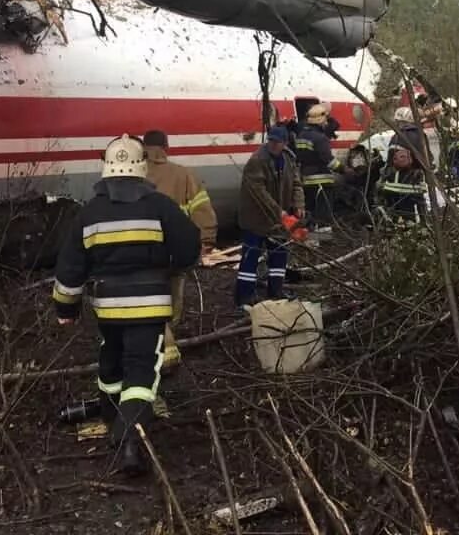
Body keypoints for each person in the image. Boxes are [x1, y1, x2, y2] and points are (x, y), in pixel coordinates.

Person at [52, 134, 199, 475]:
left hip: (109, 309)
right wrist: (172, 266)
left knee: (112, 360)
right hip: (150, 309)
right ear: (142, 169)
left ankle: (112, 417)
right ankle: (129, 440)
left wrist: (66, 310)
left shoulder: (88, 214)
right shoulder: (161, 206)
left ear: (105, 170)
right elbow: (189, 247)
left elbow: (69, 269)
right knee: (141, 372)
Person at [142, 130, 217, 369]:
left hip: (141, 254)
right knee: (172, 303)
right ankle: (166, 345)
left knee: (146, 301)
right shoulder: (183, 174)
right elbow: (202, 209)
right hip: (174, 253)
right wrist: (206, 240)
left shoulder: (134, 175)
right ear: (166, 147)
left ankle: (150, 346)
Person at [235, 127, 307, 309]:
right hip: (256, 219)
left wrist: (299, 204)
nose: (274, 145)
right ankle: (244, 297)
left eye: (277, 142)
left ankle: (276, 291)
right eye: (271, 141)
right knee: (251, 257)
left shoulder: (289, 159)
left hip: (278, 220)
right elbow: (259, 193)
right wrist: (280, 213)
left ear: (284, 143)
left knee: (279, 256)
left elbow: (297, 183)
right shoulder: (257, 161)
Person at [293, 104, 340, 233]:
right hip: (322, 182)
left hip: (307, 180)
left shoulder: (301, 135)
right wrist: (344, 169)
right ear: (321, 120)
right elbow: (330, 162)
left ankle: (311, 241)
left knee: (311, 214)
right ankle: (324, 243)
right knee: (324, 216)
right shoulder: (320, 138)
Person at [377, 147, 428, 225]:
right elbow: (380, 192)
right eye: (396, 157)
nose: (400, 159)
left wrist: (424, 222)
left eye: (403, 156)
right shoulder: (388, 172)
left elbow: (420, 200)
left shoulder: (416, 173)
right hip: (391, 212)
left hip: (407, 213)